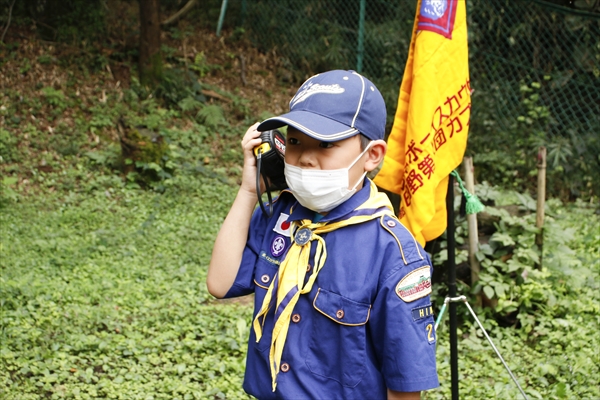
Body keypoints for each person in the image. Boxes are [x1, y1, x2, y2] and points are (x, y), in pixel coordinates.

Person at [207, 70, 439, 399]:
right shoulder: (280, 215)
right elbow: (220, 283)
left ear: (371, 155)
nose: (306, 158)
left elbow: (404, 386)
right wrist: (248, 190)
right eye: (296, 141)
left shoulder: (392, 254)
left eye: (326, 144)